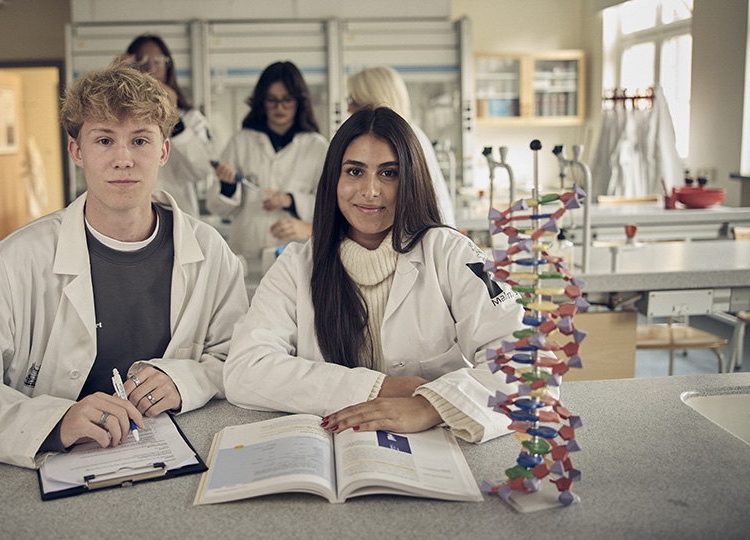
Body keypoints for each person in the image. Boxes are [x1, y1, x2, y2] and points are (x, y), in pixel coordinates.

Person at [0, 64, 249, 469]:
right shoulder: (15, 261)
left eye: (140, 140)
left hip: (177, 459)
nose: (124, 160)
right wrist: (53, 421)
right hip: (54, 470)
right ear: (77, 152)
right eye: (104, 140)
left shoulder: (210, 251)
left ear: (163, 151)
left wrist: (185, 379)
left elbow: (239, 358)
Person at [223, 107, 524, 443]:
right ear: (333, 180)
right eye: (354, 172)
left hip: (437, 445)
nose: (369, 191)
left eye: (389, 174)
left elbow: (526, 362)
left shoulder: (451, 253)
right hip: (333, 448)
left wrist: (431, 406)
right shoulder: (297, 265)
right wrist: (381, 388)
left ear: (411, 179)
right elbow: (245, 370)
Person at [207, 61, 328, 263]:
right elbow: (218, 209)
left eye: (286, 100)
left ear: (299, 101)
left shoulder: (317, 146)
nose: (279, 107)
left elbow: (330, 204)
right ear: (261, 101)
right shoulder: (242, 141)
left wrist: (291, 200)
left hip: (296, 254)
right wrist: (228, 186)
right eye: (272, 100)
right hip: (247, 252)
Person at [347, 65, 457, 227]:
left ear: (375, 104)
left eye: (355, 102)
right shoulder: (406, 135)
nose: (349, 109)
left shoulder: (406, 140)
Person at [122, 34, 215, 217]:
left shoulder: (191, 118)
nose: (150, 68)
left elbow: (202, 169)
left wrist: (175, 119)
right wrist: (114, 78)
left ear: (169, 67)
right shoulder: (118, 118)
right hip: (128, 217)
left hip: (178, 217)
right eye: (141, 60)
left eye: (159, 61)